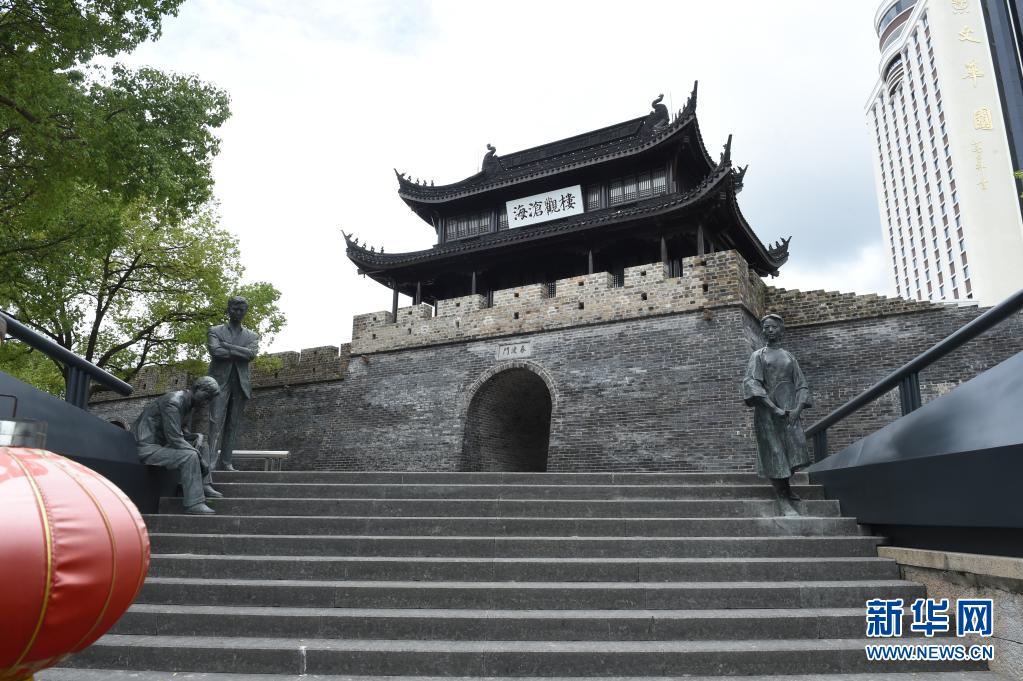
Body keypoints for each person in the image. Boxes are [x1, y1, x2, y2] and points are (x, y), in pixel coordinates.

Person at [741, 314, 812, 517]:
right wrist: (773, 408)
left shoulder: (789, 356)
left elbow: (802, 384)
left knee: (791, 451)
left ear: (781, 330)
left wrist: (798, 408)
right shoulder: (758, 356)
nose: (769, 330)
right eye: (766, 327)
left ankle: (787, 489)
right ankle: (782, 499)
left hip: (789, 412)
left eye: (773, 327)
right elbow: (752, 384)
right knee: (775, 453)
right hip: (768, 414)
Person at [132, 376, 223, 515]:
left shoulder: (189, 404)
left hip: (162, 445)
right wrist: (200, 459)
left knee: (202, 443)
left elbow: (181, 431)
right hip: (147, 447)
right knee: (189, 456)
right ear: (197, 388)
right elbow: (174, 438)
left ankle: (204, 484)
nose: (207, 402)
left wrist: (195, 437)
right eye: (207, 396)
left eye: (210, 399)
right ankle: (194, 503)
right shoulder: (173, 402)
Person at [207, 295, 259, 472]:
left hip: (240, 383)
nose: (238, 313)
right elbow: (215, 351)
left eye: (241, 310)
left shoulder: (252, 335)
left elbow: (251, 355)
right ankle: (209, 463)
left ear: (246, 311)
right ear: (229, 309)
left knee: (233, 424)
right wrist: (240, 352)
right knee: (215, 422)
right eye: (235, 309)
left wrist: (228, 347)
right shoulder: (215, 330)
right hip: (219, 383)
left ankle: (226, 462)